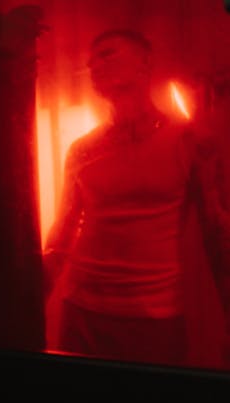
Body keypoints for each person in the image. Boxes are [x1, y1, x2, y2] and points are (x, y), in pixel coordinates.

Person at [44, 29, 230, 366]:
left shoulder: (188, 142)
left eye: (108, 54)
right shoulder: (83, 149)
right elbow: (63, 233)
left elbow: (217, 233)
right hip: (82, 311)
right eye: (92, 60)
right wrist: (29, 300)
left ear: (144, 64)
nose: (95, 64)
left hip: (152, 317)